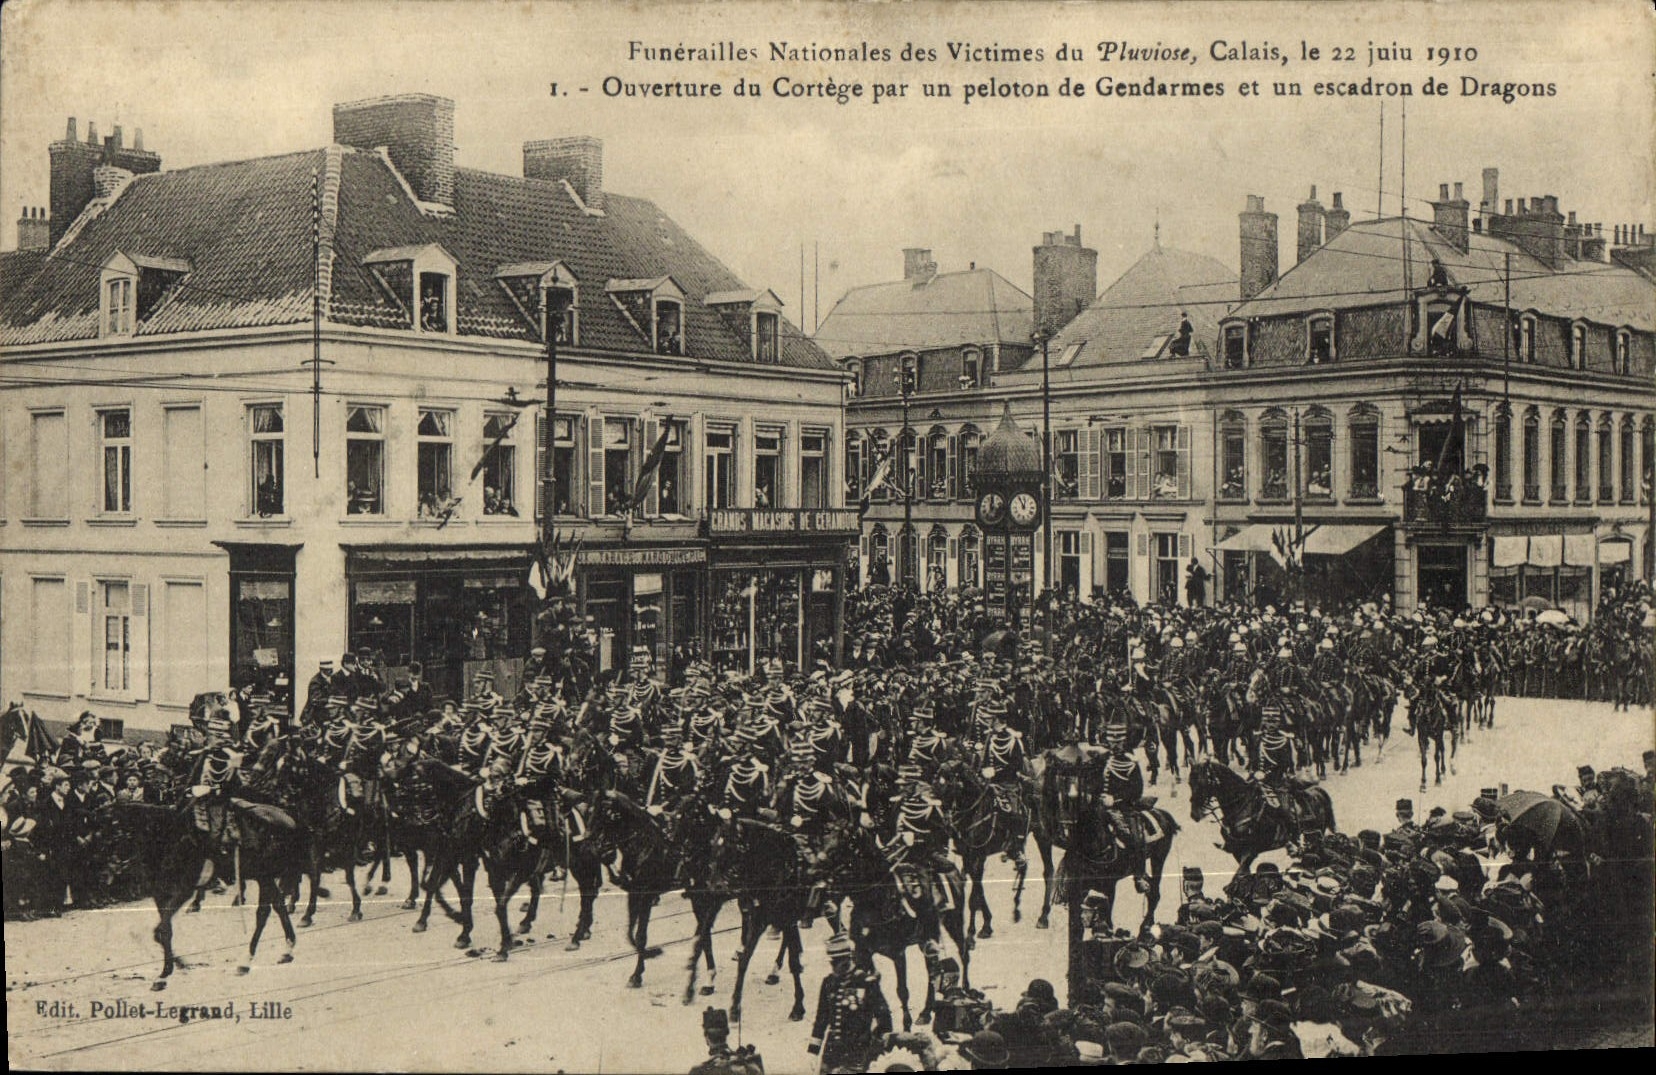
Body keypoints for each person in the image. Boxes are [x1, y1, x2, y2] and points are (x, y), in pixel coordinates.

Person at [808, 933, 892, 1075]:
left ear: (847, 959)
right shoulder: (828, 983)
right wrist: (813, 1051)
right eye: (832, 962)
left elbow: (884, 1018)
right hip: (832, 1052)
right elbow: (821, 1018)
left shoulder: (866, 983)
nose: (833, 967)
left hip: (858, 1052)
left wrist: (874, 1046)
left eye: (836, 962)